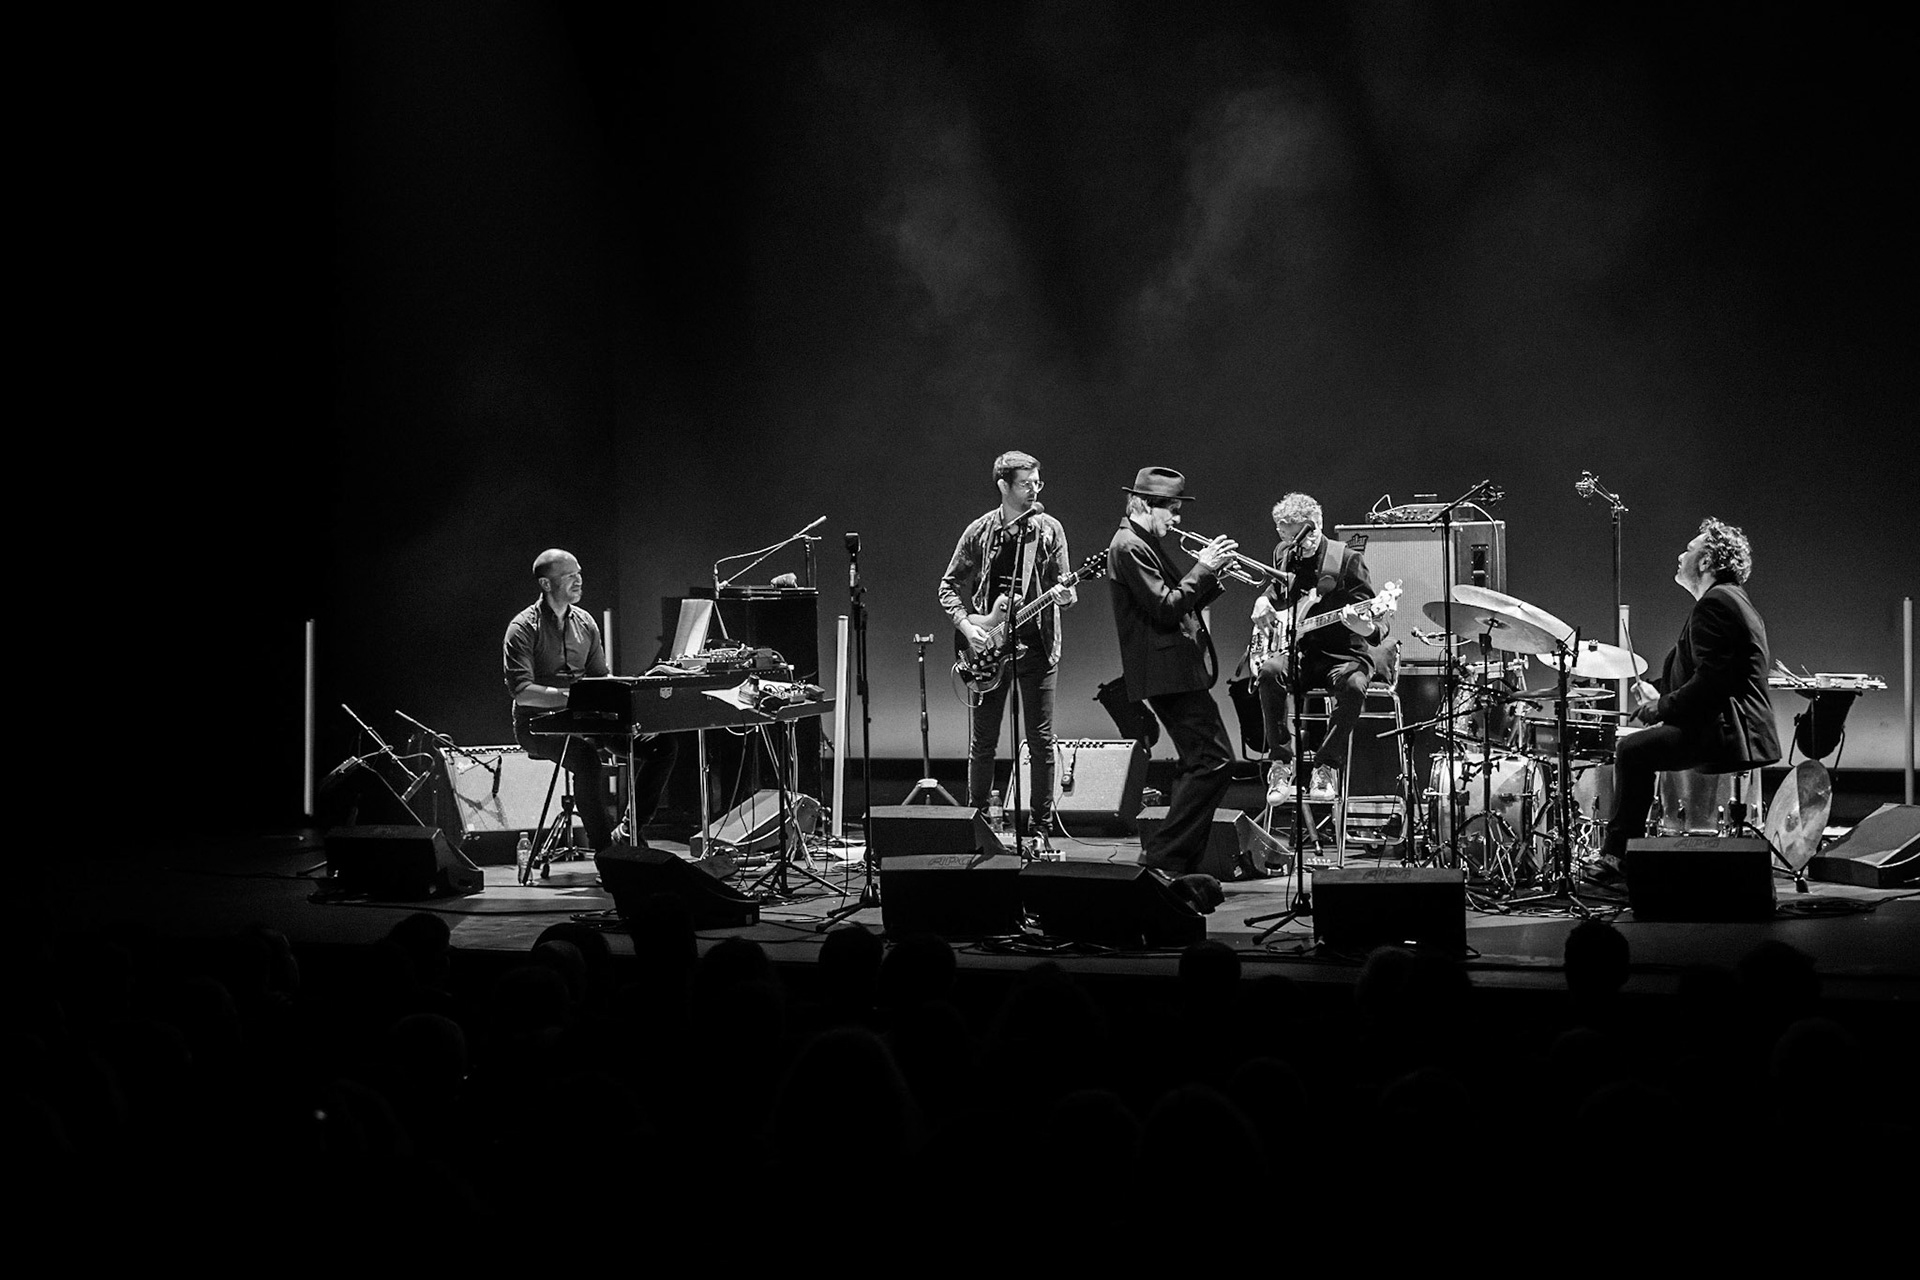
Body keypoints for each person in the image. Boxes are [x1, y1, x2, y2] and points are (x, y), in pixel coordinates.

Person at [1592, 519, 1780, 878]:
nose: (1681, 555)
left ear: (1706, 561)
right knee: (1638, 750)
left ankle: (1617, 858)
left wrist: (1660, 707)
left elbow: (1712, 682)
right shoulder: (1729, 600)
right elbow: (1707, 672)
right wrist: (1661, 692)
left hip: (1727, 730)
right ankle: (1624, 857)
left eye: (1689, 549)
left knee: (1632, 751)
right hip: (1727, 724)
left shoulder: (1716, 603)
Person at [938, 451, 1076, 847]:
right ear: (1003, 485)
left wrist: (1065, 596)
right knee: (983, 743)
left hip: (1038, 648)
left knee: (1041, 741)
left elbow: (1067, 590)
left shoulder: (1049, 530)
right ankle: (977, 823)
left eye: (1037, 483)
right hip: (988, 649)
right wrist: (969, 627)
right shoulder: (980, 531)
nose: (1035, 490)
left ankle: (1041, 829)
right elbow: (948, 586)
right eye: (1026, 484)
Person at [1107, 467, 1238, 875]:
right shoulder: (1129, 546)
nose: (1177, 520)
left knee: (1199, 762)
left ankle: (1175, 860)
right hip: (1166, 672)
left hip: (1173, 670)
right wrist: (1202, 568)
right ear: (1146, 504)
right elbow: (1165, 608)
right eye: (1172, 511)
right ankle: (1166, 856)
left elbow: (1177, 600)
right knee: (1215, 761)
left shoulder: (1142, 542)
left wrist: (1211, 576)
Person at [503, 549, 678, 851]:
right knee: (586, 760)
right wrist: (575, 698)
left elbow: (601, 679)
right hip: (537, 725)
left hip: (588, 718)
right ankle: (605, 850)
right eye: (570, 576)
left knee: (663, 746)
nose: (579, 581)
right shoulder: (522, 628)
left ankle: (629, 832)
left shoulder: (585, 622)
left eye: (579, 574)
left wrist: (635, 707)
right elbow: (522, 690)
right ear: (546, 584)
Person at [1251, 493, 1393, 805]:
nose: (1299, 544)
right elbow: (1280, 589)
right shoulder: (1284, 553)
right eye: (1289, 537)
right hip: (1301, 651)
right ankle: (1280, 763)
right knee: (1269, 672)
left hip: (1342, 653)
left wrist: (1365, 627)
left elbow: (1377, 618)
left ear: (1318, 526)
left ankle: (1326, 765)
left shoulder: (1347, 559)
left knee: (1354, 684)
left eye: (1305, 535)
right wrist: (1264, 599)